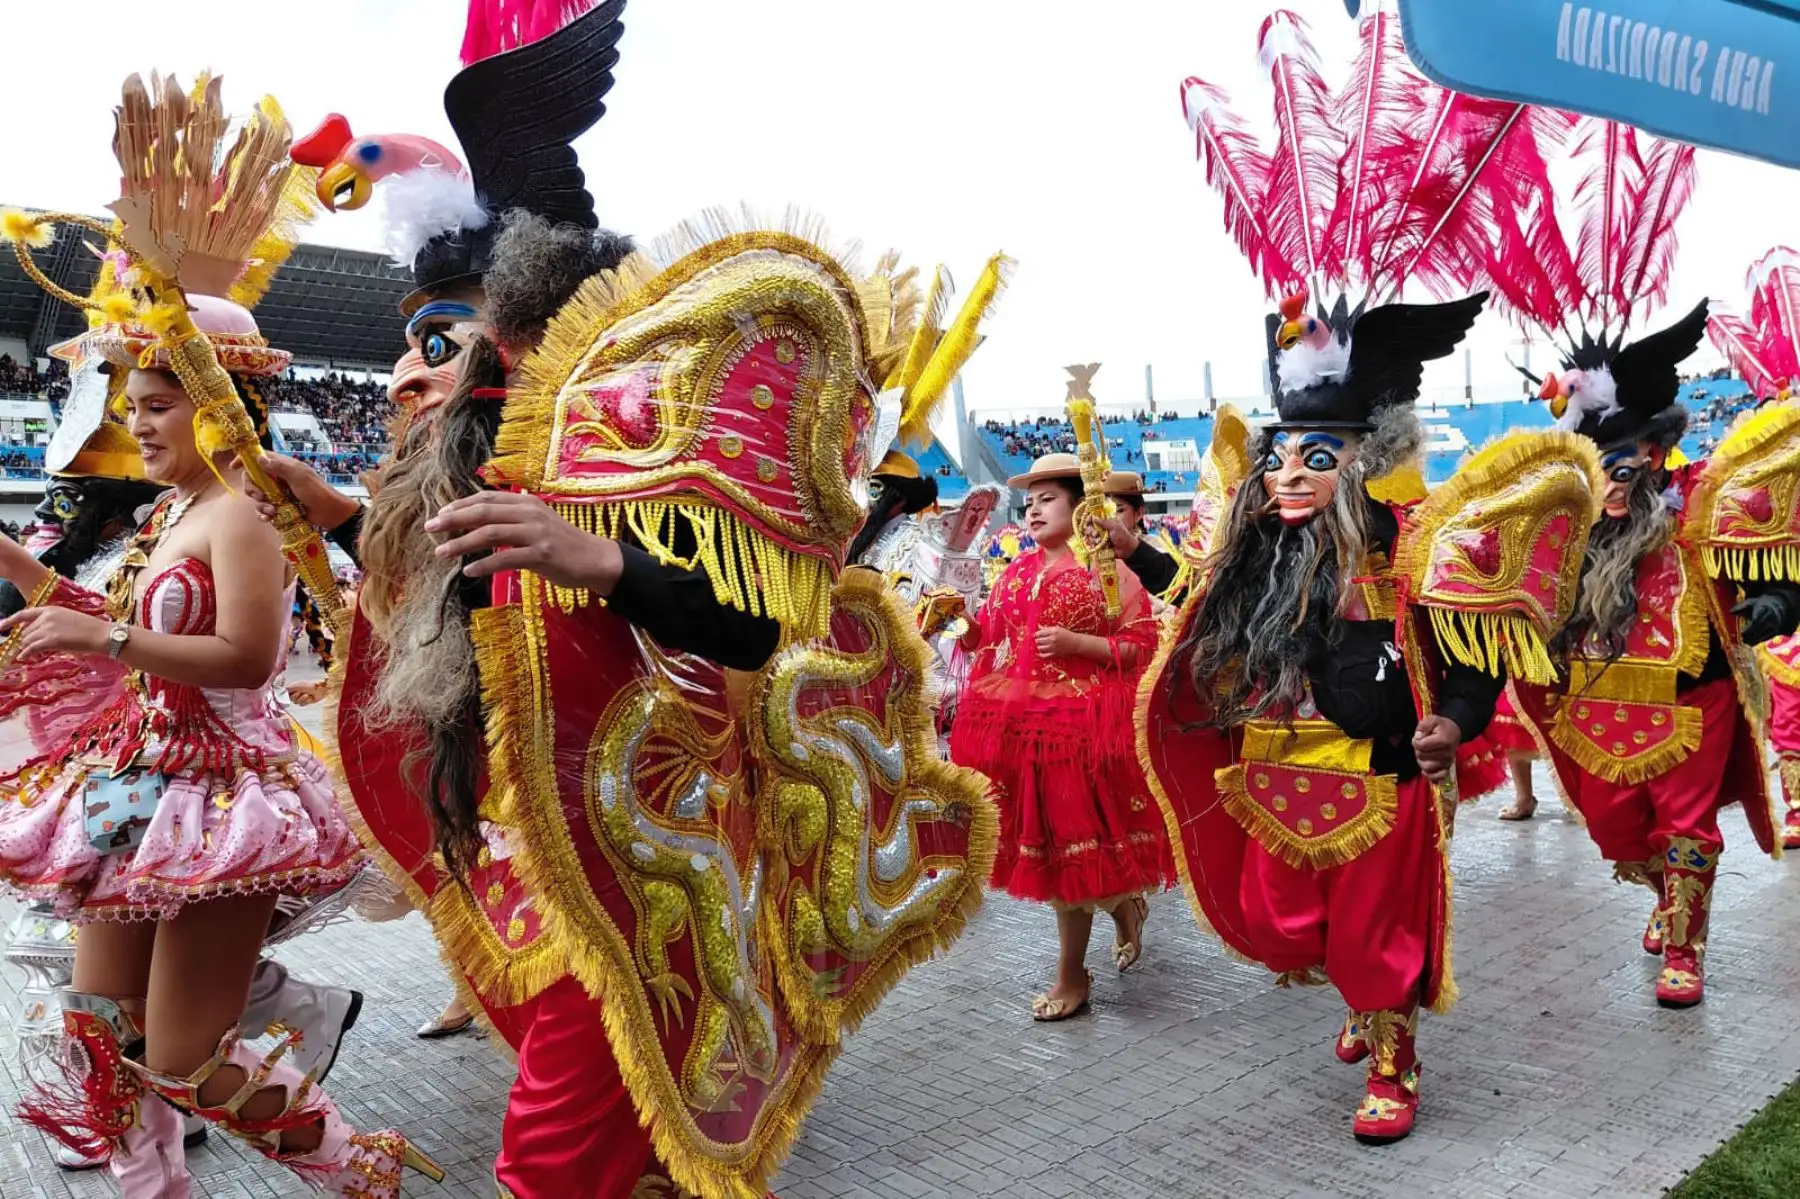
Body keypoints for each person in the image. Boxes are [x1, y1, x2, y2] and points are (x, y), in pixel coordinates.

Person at [1140, 292, 1599, 1143]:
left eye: (1318, 455)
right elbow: (1187, 600)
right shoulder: (1254, 557)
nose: (1289, 474)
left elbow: (1475, 654)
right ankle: (1360, 989)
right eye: (1280, 456)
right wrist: (1136, 551)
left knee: (1372, 936)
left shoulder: (1417, 549)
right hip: (1272, 779)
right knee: (1281, 925)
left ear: (1365, 458)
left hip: (1380, 780)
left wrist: (1454, 720)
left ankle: (1394, 1062)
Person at [2, 364, 365, 1175]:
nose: (137, 424)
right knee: (100, 1026)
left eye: (158, 406)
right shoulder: (173, 509)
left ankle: (359, 1168)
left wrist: (104, 639)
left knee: (183, 1055)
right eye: (131, 407)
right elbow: (113, 623)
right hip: (135, 783)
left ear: (220, 410)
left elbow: (246, 657)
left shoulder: (243, 511)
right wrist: (17, 564)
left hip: (222, 794)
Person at [1515, 301, 1800, 1007]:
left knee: (1687, 828)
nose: (1608, 485)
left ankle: (1684, 946)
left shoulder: (1704, 499)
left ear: (1652, 451)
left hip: (1693, 694)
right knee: (1613, 829)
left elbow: (1777, 560)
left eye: (1618, 464)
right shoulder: (1569, 522)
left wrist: (1777, 604)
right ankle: (1668, 895)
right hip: (1597, 694)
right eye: (1593, 468)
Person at [949, 451, 1172, 1022]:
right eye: (1028, 503)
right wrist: (959, 622)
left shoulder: (1108, 572)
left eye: (1047, 499)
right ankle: (1123, 910)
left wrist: (1079, 646)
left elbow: (1140, 646)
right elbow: (990, 640)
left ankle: (1073, 974)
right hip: (1022, 736)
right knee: (1058, 856)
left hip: (1081, 739)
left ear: (1080, 507)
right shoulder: (1016, 572)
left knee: (1073, 858)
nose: (1032, 511)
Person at [1100, 469, 1178, 596]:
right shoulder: (1090, 553)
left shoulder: (1157, 550)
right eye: (1105, 511)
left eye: (1119, 510)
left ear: (1139, 513)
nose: (1110, 518)